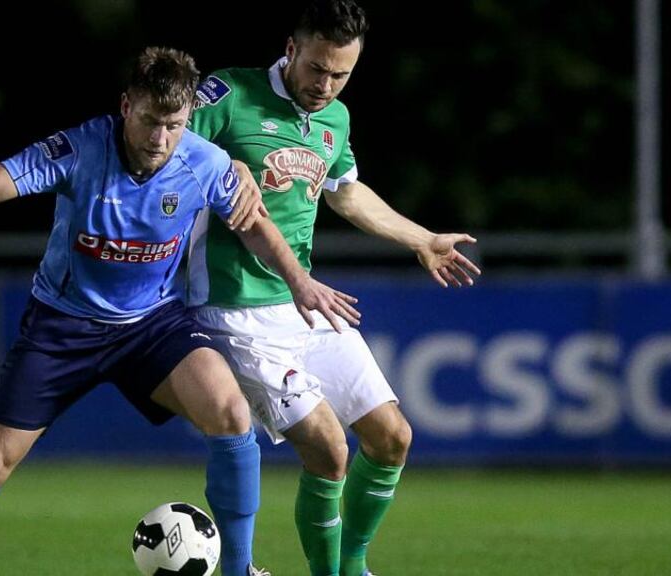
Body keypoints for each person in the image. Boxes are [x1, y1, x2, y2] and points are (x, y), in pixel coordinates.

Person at [0, 46, 359, 576]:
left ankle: (238, 569)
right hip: (63, 325)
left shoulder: (203, 159)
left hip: (151, 325)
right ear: (127, 105)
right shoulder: (80, 150)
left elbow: (251, 223)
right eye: (152, 121)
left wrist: (298, 281)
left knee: (230, 413)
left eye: (174, 125)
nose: (161, 139)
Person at [187, 2, 482, 575]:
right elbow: (163, 150)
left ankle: (354, 568)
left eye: (340, 74)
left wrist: (421, 238)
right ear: (291, 49)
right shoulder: (227, 95)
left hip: (305, 305)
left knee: (392, 436)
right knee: (329, 448)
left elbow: (346, 192)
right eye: (317, 68)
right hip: (233, 309)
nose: (326, 85)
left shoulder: (335, 119)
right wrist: (218, 169)